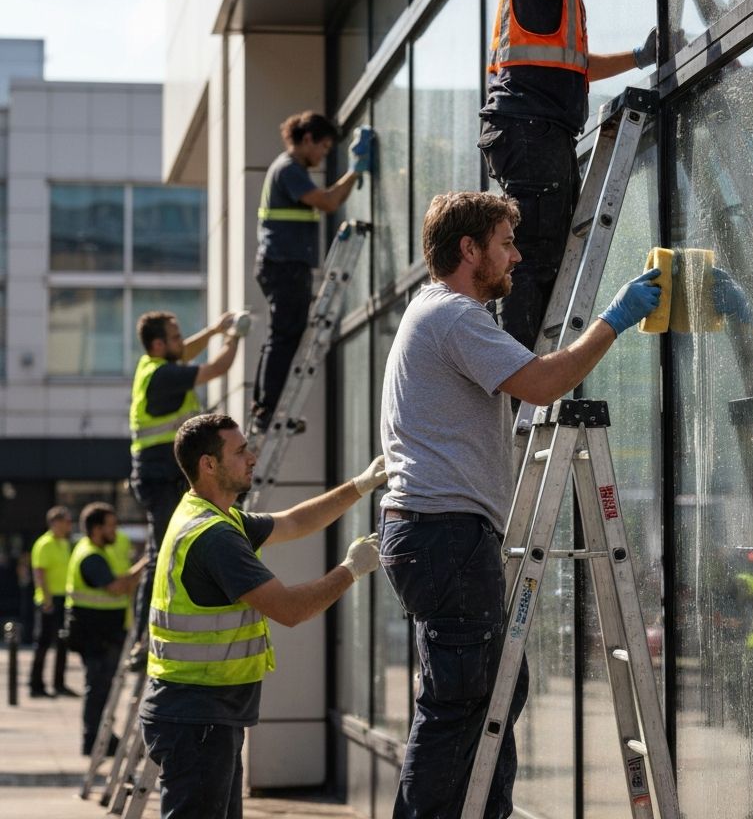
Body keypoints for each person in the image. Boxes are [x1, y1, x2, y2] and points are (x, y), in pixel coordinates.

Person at [378, 191, 661, 818]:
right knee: (462, 704)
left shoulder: (433, 311)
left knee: (490, 693)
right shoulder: (455, 316)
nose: (516, 255)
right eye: (505, 243)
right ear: (468, 249)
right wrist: (614, 318)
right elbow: (542, 384)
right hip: (444, 533)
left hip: (435, 534)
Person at [139, 413, 385, 819]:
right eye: (240, 451)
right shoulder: (215, 537)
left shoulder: (212, 516)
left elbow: (294, 521)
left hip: (201, 713)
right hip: (199, 716)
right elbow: (289, 609)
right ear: (209, 464)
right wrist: (351, 570)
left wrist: (360, 485)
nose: (252, 458)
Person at [478, 0, 657, 351]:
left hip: (536, 130)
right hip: (529, 128)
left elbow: (575, 66)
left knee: (546, 259)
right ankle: (516, 382)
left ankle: (523, 372)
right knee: (533, 260)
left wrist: (640, 57)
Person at [128, 309, 246, 666]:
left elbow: (187, 354)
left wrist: (212, 330)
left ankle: (143, 635)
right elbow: (216, 369)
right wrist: (234, 336)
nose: (183, 342)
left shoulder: (154, 366)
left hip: (160, 474)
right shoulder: (163, 375)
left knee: (165, 547)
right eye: (177, 337)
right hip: (161, 478)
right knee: (159, 552)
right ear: (160, 344)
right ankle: (142, 639)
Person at [250, 110, 372, 432]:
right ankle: (267, 410)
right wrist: (354, 171)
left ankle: (264, 406)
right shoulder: (289, 169)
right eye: (323, 147)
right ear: (307, 139)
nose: (322, 155)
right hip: (285, 265)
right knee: (284, 337)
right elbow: (329, 202)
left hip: (282, 264)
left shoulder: (287, 169)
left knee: (282, 336)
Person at [65, 502, 147, 755]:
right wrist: (146, 562)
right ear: (97, 528)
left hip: (102, 633)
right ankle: (94, 739)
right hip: (96, 635)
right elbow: (117, 587)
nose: (116, 530)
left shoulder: (98, 550)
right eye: (111, 526)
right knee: (99, 688)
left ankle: (102, 736)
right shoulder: (91, 556)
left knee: (103, 688)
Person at [28, 505, 75, 697]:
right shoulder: (44, 543)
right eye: (66, 521)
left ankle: (59, 684)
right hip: (49, 599)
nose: (69, 525)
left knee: (62, 642)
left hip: (64, 598)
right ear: (55, 522)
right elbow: (39, 573)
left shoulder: (64, 543)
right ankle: (36, 685)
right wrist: (47, 599)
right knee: (43, 643)